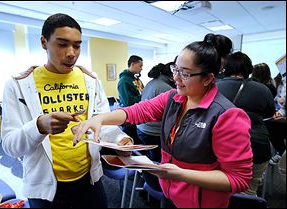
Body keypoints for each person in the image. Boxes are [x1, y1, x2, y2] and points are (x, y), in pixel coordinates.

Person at [73, 40, 253, 208]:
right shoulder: (173, 98)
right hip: (169, 192)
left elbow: (238, 179)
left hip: (200, 201)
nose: (176, 78)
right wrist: (100, 118)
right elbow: (137, 111)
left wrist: (181, 174)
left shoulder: (227, 115)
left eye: (185, 73)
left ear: (207, 78)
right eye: (175, 69)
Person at [0, 13, 132, 208]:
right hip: (45, 189)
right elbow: (10, 146)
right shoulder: (18, 85)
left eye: (77, 45)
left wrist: (120, 140)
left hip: (90, 181)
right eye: (62, 44)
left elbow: (101, 123)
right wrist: (39, 126)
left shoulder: (91, 81)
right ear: (44, 42)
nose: (72, 53)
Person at [216, 52, 276, 196]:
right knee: (249, 190)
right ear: (249, 69)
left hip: (223, 142)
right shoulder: (263, 89)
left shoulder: (215, 87)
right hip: (256, 144)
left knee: (220, 186)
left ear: (226, 68)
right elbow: (269, 114)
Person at [136, 61, 176, 162]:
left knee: (149, 157)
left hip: (142, 128)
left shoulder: (152, 82)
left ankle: (146, 174)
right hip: (152, 131)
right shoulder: (166, 88)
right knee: (156, 161)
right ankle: (151, 176)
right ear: (171, 75)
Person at [117, 55, 144, 144]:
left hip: (138, 114)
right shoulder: (124, 81)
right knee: (133, 144)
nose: (141, 68)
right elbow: (128, 102)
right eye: (140, 66)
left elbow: (142, 91)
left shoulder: (136, 79)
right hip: (129, 118)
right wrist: (144, 97)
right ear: (132, 64)